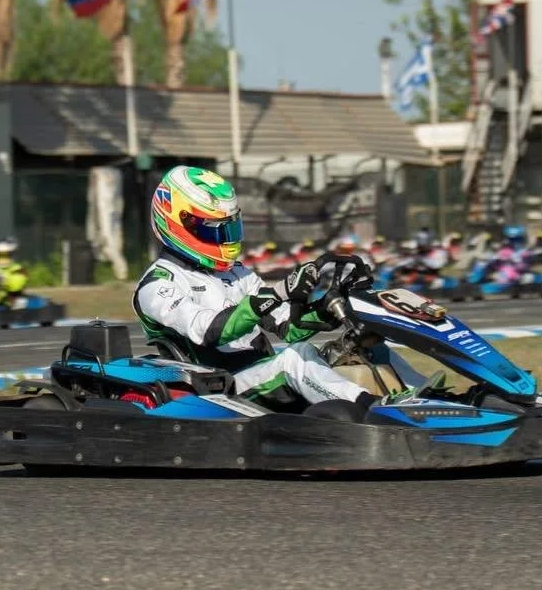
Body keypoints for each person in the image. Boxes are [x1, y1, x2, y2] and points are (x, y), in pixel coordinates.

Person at [133, 165, 389, 412]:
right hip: (220, 389)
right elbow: (208, 330)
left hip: (261, 373)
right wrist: (278, 292)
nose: (225, 239)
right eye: (214, 230)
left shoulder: (236, 273)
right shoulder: (158, 284)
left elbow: (290, 327)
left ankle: (412, 403)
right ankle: (375, 411)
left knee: (368, 346)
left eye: (229, 228)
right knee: (294, 359)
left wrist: (330, 305)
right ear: (178, 222)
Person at [0, 238, 29, 306]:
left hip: (10, 303)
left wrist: (2, 279)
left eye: (6, 255)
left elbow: (16, 285)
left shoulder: (19, 269)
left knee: (18, 303)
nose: (2, 259)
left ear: (11, 255)